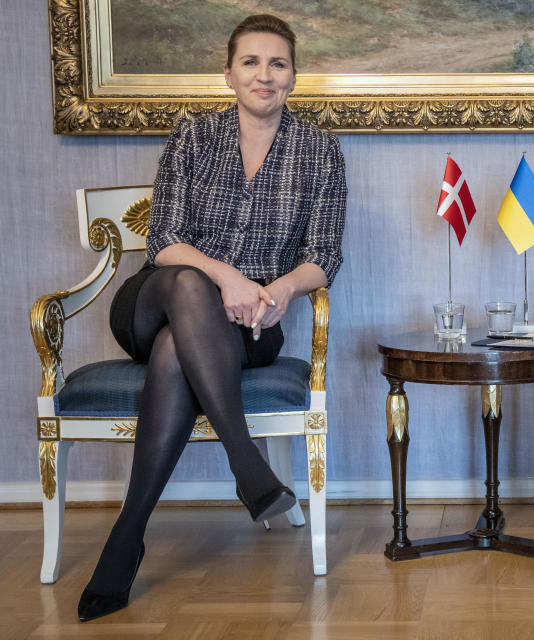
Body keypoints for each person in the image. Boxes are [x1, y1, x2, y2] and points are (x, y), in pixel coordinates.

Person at [77, 14, 346, 622]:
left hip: (246, 330)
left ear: (293, 78)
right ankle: (245, 461)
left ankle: (127, 537)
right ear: (227, 75)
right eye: (250, 62)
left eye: (278, 63)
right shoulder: (193, 136)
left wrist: (280, 288)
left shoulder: (318, 149)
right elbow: (164, 239)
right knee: (187, 285)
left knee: (179, 350)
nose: (264, 75)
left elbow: (324, 258)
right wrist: (230, 277)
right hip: (154, 300)